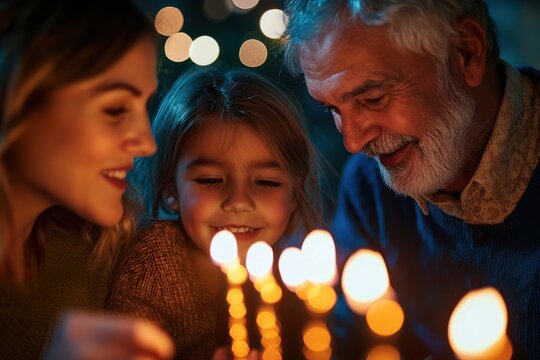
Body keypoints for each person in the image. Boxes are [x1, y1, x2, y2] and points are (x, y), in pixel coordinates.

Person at [282, 0, 539, 358]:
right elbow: (345, 340)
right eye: (333, 109)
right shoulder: (370, 187)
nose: (353, 141)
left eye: (372, 98)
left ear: (467, 52)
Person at [106, 66, 327, 359]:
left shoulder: (288, 279)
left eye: (266, 182)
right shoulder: (155, 266)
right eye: (210, 180)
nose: (238, 202)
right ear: (171, 190)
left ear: (295, 196)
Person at [0, 0, 174, 359]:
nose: (146, 142)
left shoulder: (100, 254)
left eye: (144, 107)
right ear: (18, 100)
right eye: (115, 109)